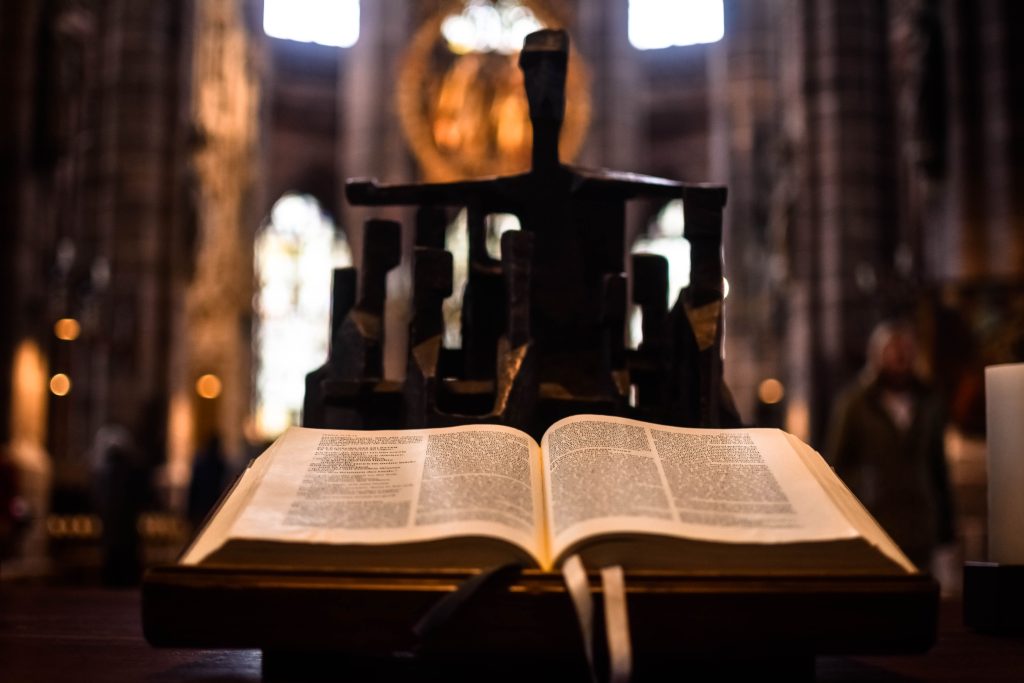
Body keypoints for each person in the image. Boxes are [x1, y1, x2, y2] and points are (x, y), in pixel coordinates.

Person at [825, 321, 955, 568]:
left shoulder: (928, 402)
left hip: (919, 524)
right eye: (892, 349)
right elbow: (837, 464)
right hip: (875, 520)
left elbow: (938, 466)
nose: (899, 356)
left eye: (905, 348)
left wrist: (946, 528)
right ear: (877, 354)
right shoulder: (855, 404)